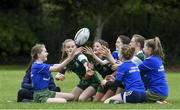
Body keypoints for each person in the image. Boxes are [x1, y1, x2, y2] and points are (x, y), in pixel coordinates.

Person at [138, 37, 168, 104]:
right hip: (163, 92)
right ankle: (159, 101)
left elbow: (135, 70)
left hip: (155, 92)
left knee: (135, 96)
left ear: (150, 49)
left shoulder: (150, 61)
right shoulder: (157, 58)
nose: (143, 49)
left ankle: (157, 101)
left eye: (144, 47)